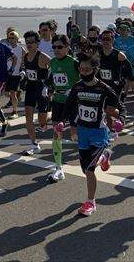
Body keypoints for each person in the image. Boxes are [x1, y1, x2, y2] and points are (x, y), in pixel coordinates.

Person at [62, 53, 119, 216]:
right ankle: (105, 156)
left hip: (98, 132)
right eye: (81, 69)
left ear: (95, 69)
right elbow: (70, 107)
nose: (83, 72)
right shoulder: (77, 87)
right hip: (82, 131)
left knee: (89, 169)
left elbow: (118, 105)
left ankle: (90, 202)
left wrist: (119, 118)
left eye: (87, 70)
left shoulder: (103, 88)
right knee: (85, 169)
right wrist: (67, 124)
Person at [46, 34, 79, 182]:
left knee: (75, 135)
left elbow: (86, 79)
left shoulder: (74, 63)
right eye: (54, 47)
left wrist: (73, 91)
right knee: (56, 133)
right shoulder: (52, 62)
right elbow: (52, 79)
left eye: (60, 47)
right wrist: (48, 88)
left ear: (67, 47)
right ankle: (58, 168)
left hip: (73, 103)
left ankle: (97, 151)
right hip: (58, 101)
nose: (56, 50)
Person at [22, 31, 51, 155]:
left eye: (32, 42)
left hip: (42, 89)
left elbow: (55, 67)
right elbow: (28, 71)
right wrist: (23, 75)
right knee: (28, 116)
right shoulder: (25, 56)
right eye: (27, 42)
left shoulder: (43, 56)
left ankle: (47, 119)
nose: (29, 44)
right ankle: (34, 144)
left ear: (38, 43)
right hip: (30, 88)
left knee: (41, 120)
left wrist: (48, 85)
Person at [97, 29, 132, 119]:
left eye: (108, 39)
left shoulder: (119, 55)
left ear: (113, 40)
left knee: (109, 110)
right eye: (103, 39)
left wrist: (128, 83)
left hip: (115, 85)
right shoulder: (98, 54)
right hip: (103, 85)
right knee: (104, 110)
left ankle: (122, 113)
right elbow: (92, 68)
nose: (105, 41)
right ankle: (111, 127)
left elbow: (129, 69)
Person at [4, 31, 24, 119]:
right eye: (9, 38)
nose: (11, 40)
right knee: (6, 93)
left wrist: (23, 70)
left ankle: (14, 111)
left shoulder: (21, 49)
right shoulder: (6, 48)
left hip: (16, 74)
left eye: (13, 38)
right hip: (7, 74)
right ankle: (17, 95)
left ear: (17, 39)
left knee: (12, 93)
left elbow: (26, 59)